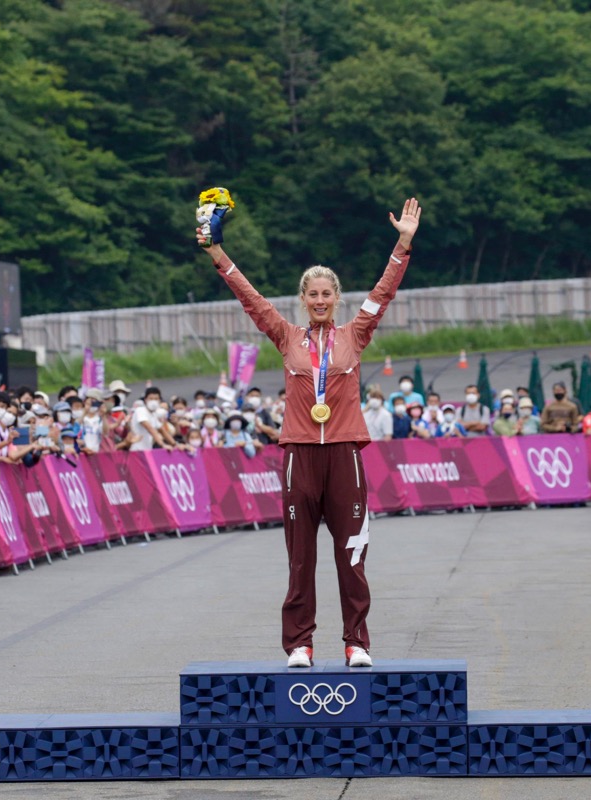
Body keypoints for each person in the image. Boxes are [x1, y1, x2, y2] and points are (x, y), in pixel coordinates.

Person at [198, 195, 421, 669]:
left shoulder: (355, 334)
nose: (320, 301)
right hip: (300, 452)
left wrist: (402, 244)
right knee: (301, 558)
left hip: (345, 454)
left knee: (352, 555)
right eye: (312, 295)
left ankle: (356, 642)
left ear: (336, 298)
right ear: (303, 300)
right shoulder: (285, 335)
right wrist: (218, 254)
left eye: (326, 294)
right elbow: (250, 298)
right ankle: (299, 643)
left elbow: (382, 293)